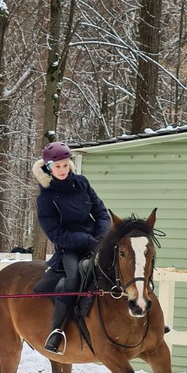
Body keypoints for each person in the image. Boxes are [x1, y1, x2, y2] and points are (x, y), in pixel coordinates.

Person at [32, 141, 111, 354]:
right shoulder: (46, 198)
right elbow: (55, 234)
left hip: (98, 240)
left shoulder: (82, 183)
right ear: (48, 167)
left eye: (65, 165)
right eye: (57, 166)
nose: (62, 170)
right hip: (70, 248)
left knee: (126, 264)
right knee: (74, 278)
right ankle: (57, 331)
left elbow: (101, 211)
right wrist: (86, 241)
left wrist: (102, 235)